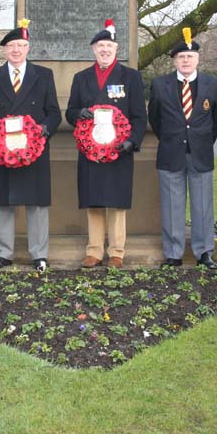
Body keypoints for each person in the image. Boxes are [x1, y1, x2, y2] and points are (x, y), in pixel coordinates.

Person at [0, 19, 61, 271]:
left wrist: (43, 132)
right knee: (4, 203)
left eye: (21, 45)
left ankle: (39, 254)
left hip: (34, 151)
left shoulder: (43, 75)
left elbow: (53, 112)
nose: (16, 50)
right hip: (4, 152)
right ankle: (2, 254)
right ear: (4, 49)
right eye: (11, 45)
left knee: (36, 204)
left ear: (28, 48)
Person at [65, 19, 147, 269]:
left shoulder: (130, 77)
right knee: (95, 200)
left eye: (109, 45)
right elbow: (69, 112)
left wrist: (132, 142)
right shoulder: (81, 78)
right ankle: (94, 251)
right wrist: (79, 113)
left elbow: (139, 116)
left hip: (118, 151)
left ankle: (117, 252)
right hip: (90, 151)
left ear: (116, 49)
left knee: (117, 201)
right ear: (93, 49)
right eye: (100, 45)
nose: (104, 50)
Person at [148, 28, 217, 269]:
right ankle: (173, 253)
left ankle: (204, 253)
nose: (186, 61)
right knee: (172, 206)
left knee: (203, 206)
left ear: (198, 59)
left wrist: (200, 140)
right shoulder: (160, 85)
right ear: (174, 60)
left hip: (201, 153)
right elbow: (155, 119)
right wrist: (173, 138)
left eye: (190, 57)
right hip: (171, 153)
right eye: (181, 57)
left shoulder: (213, 84)